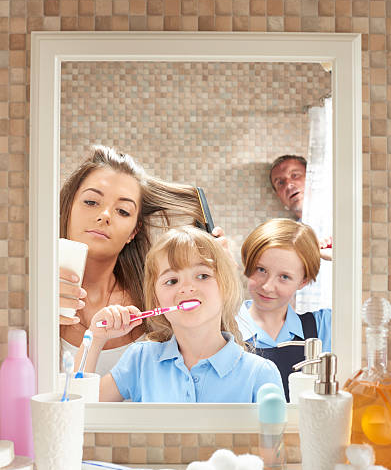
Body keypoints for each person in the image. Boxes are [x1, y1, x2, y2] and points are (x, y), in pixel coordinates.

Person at [60, 145, 224, 376]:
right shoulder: (34, 295)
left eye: (123, 211)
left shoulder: (157, 300)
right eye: (91, 202)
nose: (105, 215)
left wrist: (219, 274)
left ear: (133, 231)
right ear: (68, 207)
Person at [83, 226, 283, 402]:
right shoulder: (141, 360)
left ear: (226, 286)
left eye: (202, 276)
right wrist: (95, 338)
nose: (187, 288)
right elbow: (75, 410)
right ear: (156, 298)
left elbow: (277, 442)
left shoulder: (259, 374)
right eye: (172, 281)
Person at [236, 218, 331, 401]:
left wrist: (343, 259)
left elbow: (378, 311)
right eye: (260, 269)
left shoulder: (322, 327)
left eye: (284, 277)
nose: (268, 287)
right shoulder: (222, 327)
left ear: (303, 281)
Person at [269, 155, 307, 221]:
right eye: (280, 183)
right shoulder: (294, 231)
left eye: (294, 175)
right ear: (279, 197)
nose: (288, 184)